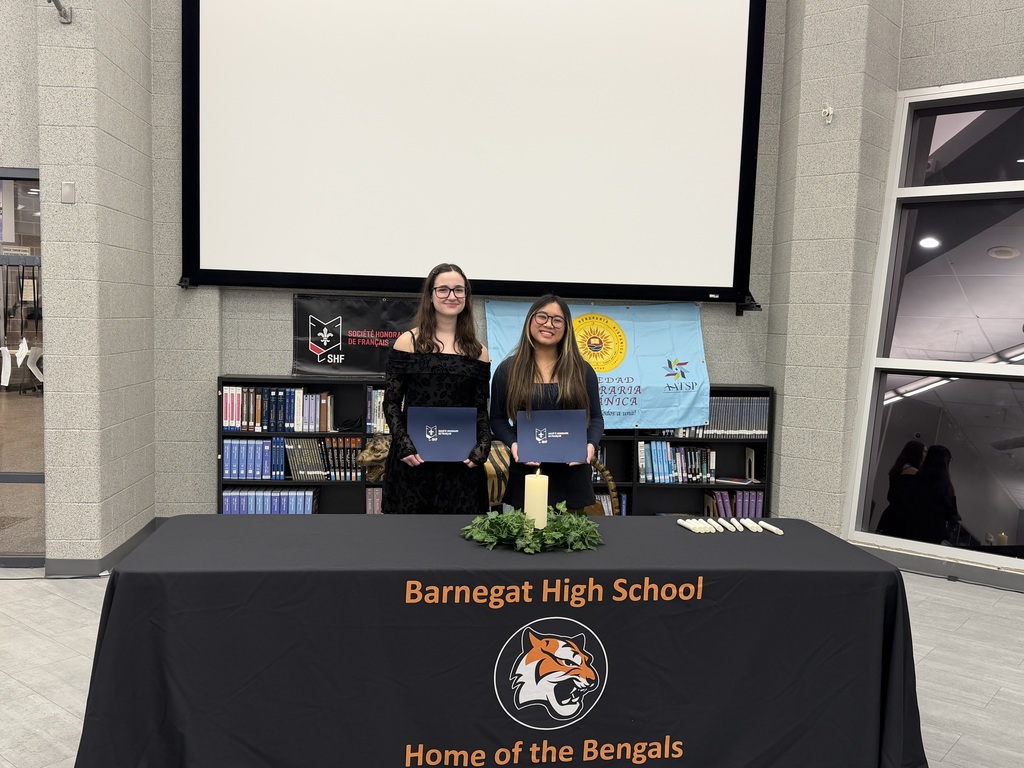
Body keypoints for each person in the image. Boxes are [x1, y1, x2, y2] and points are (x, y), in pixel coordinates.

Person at [381, 263, 491, 514]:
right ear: (430, 295)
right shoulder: (407, 342)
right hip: (414, 463)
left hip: (462, 468)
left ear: (466, 296)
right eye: (443, 289)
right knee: (411, 544)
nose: (451, 296)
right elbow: (390, 403)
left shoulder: (479, 352)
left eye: (458, 290)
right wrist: (403, 445)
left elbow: (480, 410)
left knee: (460, 545)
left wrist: (483, 445)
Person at [489, 294, 604, 513]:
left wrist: (590, 445)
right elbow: (497, 419)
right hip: (528, 472)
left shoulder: (582, 370)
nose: (549, 324)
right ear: (530, 321)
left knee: (569, 543)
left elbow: (596, 418)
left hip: (572, 475)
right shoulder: (507, 370)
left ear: (566, 327)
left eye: (557, 320)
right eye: (542, 317)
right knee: (528, 541)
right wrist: (514, 444)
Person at [900, 444, 959, 544]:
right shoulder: (941, 475)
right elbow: (939, 496)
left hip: (912, 524)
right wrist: (953, 513)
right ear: (945, 459)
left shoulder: (920, 475)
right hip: (932, 528)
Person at [875, 440, 925, 536]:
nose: (926, 454)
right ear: (918, 453)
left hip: (891, 514)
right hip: (900, 517)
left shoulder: (899, 468)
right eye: (924, 451)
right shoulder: (913, 472)